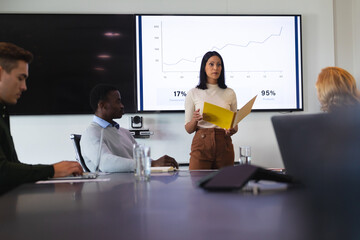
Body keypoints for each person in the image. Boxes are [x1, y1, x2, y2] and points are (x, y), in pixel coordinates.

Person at [0, 42, 83, 194]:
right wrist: (51, 170)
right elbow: (2, 171)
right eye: (20, 78)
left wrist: (54, 171)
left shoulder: (3, 111)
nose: (24, 87)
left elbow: (12, 166)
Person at [80, 84, 178, 172]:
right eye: (118, 102)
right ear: (102, 105)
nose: (122, 106)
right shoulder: (91, 133)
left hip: (131, 185)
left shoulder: (124, 132)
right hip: (109, 190)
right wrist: (151, 164)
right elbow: (106, 163)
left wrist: (158, 164)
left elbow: (140, 160)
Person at [184, 51, 238, 170]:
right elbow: (188, 129)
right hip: (201, 143)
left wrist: (231, 130)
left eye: (219, 65)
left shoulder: (230, 93)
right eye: (211, 64)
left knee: (226, 185)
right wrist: (194, 120)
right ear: (204, 67)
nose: (215, 68)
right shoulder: (193, 93)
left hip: (224, 143)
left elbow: (235, 126)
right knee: (197, 184)